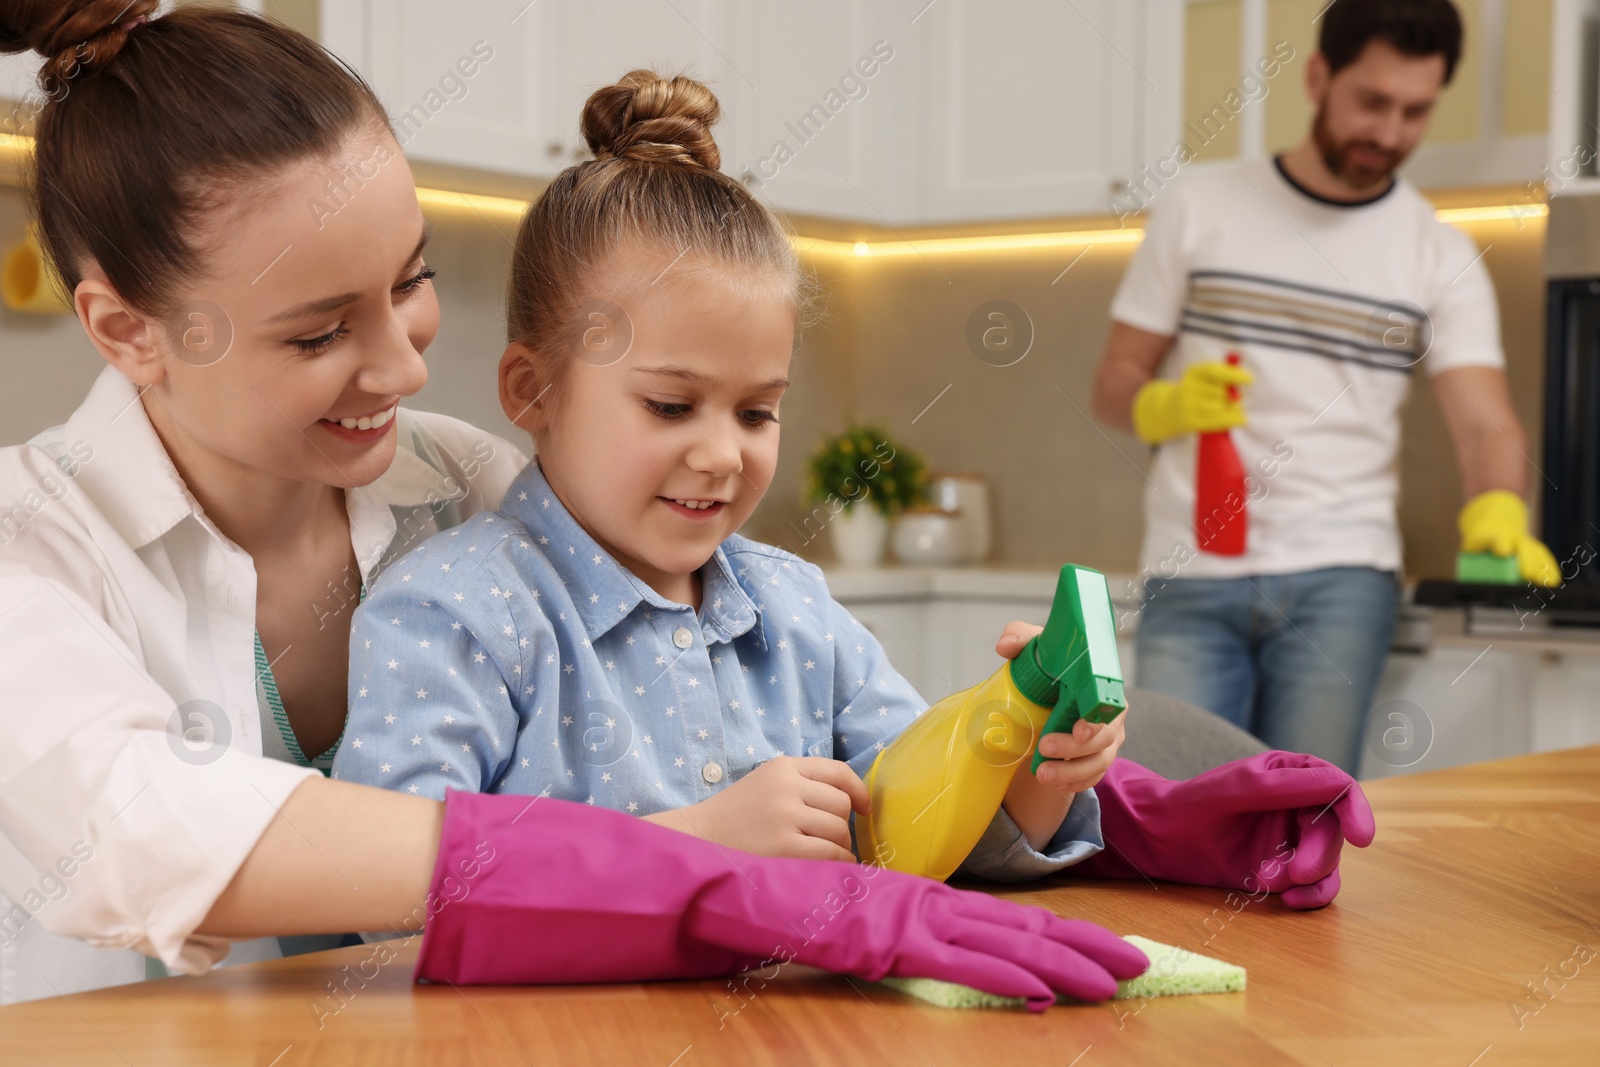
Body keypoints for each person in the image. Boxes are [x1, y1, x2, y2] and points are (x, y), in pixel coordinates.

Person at [0, 2, 1150, 1008]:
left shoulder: (462, 482)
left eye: (410, 282)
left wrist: (1022, 753)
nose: (404, 368)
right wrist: (690, 863)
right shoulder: (29, 546)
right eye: (317, 330)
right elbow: (140, 832)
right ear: (125, 331)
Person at [335, 71, 1376, 915]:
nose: (721, 455)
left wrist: (1026, 758)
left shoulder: (794, 607)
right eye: (669, 405)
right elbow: (393, 897)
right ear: (532, 387)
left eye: (756, 412)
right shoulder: (453, 612)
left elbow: (912, 832)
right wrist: (691, 843)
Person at [1091, 0, 1558, 772]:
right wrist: (1160, 403)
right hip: (1193, 572)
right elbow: (1112, 384)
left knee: (1303, 824)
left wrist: (1500, 506)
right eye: (1372, 102)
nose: (1389, 132)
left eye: (1415, 111)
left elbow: (1487, 426)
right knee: (1166, 817)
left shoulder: (1438, 251)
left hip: (1343, 580)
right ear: (1317, 77)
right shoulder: (1198, 209)